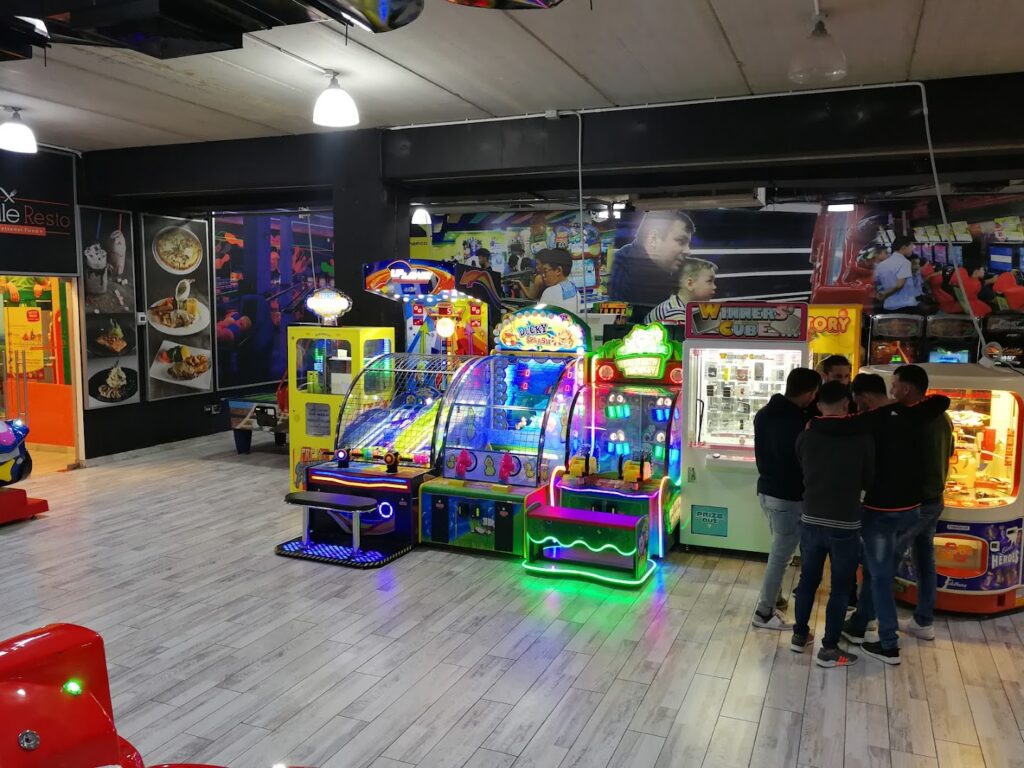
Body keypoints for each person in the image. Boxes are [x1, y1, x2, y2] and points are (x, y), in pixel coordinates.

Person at [811, 371, 950, 665]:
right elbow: (942, 400)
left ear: (862, 399)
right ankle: (883, 622)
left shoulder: (870, 422)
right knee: (902, 565)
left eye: (897, 383)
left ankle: (887, 642)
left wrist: (813, 424)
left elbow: (837, 429)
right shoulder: (916, 414)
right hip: (914, 508)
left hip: (882, 511)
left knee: (880, 576)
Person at [792, 380, 874, 667]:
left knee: (808, 580)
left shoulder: (806, 436)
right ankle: (829, 648)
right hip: (846, 523)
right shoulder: (862, 438)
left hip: (811, 517)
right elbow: (869, 478)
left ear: (818, 405)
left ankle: (799, 635)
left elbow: (800, 466)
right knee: (840, 587)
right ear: (846, 403)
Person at [751, 367, 822, 630]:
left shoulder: (765, 414)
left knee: (779, 548)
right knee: (781, 553)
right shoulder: (798, 423)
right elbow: (799, 462)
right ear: (809, 393)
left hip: (767, 491)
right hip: (788, 496)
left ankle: (776, 598)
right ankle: (763, 611)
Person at [892, 365, 953, 641]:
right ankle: (923, 620)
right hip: (934, 498)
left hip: (915, 503)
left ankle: (868, 620)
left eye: (895, 385)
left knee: (887, 558)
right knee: (924, 559)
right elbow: (950, 451)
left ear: (906, 388)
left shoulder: (913, 421)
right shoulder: (943, 417)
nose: (891, 390)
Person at [609, 211, 695, 310]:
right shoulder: (620, 271)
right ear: (653, 238)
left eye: (688, 244)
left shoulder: (664, 269)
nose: (688, 251)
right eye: (680, 241)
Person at [644, 258, 717, 324]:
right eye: (709, 281)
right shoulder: (675, 313)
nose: (714, 287)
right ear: (690, 284)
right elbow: (684, 338)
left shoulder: (678, 305)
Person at [516, 248, 579, 313]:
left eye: (545, 271)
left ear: (558, 270)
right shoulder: (575, 291)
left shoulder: (550, 292)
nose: (543, 275)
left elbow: (540, 317)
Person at [874, 236, 920, 311]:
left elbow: (875, 282)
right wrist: (884, 293)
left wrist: (878, 294)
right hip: (905, 305)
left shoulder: (881, 265)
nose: (912, 249)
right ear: (904, 247)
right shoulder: (905, 262)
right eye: (911, 247)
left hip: (888, 305)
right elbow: (899, 285)